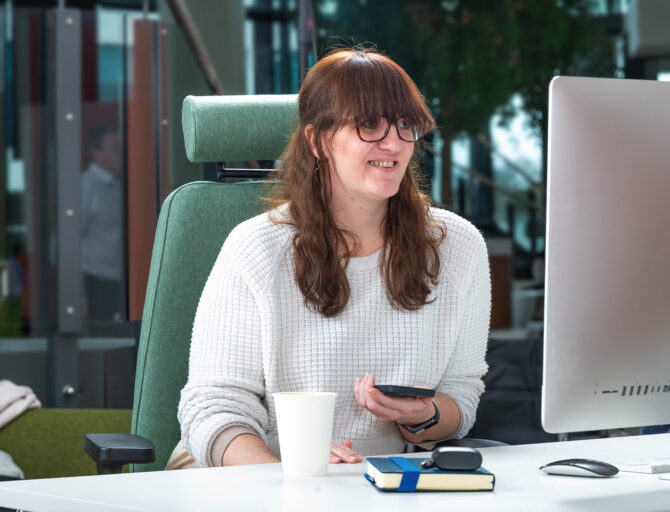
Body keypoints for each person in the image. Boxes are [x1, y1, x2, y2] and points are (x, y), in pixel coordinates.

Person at [175, 46, 491, 469]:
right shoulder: (255, 248)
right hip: (250, 475)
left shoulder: (457, 246)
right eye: (369, 125)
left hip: (380, 483)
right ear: (319, 139)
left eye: (405, 125)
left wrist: (425, 415)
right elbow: (211, 409)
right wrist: (290, 471)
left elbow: (461, 397)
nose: (394, 142)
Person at [81, 125, 125, 323]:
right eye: (115, 147)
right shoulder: (84, 187)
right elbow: (64, 244)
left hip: (123, 284)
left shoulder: (123, 185)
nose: (122, 153)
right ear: (97, 153)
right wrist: (77, 293)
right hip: (95, 285)